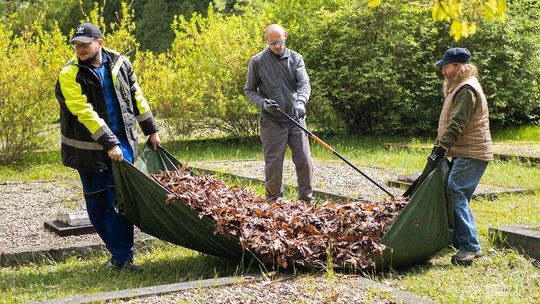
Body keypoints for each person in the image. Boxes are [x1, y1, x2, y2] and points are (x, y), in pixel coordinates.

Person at [55, 23, 160, 272]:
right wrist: (108, 142)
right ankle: (116, 252)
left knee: (120, 199)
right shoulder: (69, 74)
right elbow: (84, 112)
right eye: (77, 44)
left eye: (85, 43)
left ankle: (123, 257)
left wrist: (151, 129)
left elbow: (136, 95)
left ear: (99, 42)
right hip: (87, 149)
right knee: (97, 203)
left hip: (122, 143)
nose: (80, 48)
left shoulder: (120, 63)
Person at [430, 47, 493, 264]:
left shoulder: (466, 89)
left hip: (473, 152)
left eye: (446, 67)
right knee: (454, 193)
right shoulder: (458, 87)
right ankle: (460, 240)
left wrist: (441, 148)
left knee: (456, 192)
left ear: (457, 67)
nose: (443, 71)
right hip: (464, 151)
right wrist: (439, 147)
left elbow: (457, 123)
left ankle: (469, 247)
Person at [244, 24, 314, 203]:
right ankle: (274, 203)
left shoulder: (296, 59)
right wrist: (263, 103)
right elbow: (250, 90)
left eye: (280, 41)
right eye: (272, 43)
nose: (277, 46)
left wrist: (300, 102)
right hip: (271, 122)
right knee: (274, 165)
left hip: (295, 119)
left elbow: (304, 84)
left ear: (286, 37)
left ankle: (306, 202)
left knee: (305, 161)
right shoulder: (257, 61)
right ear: (267, 41)